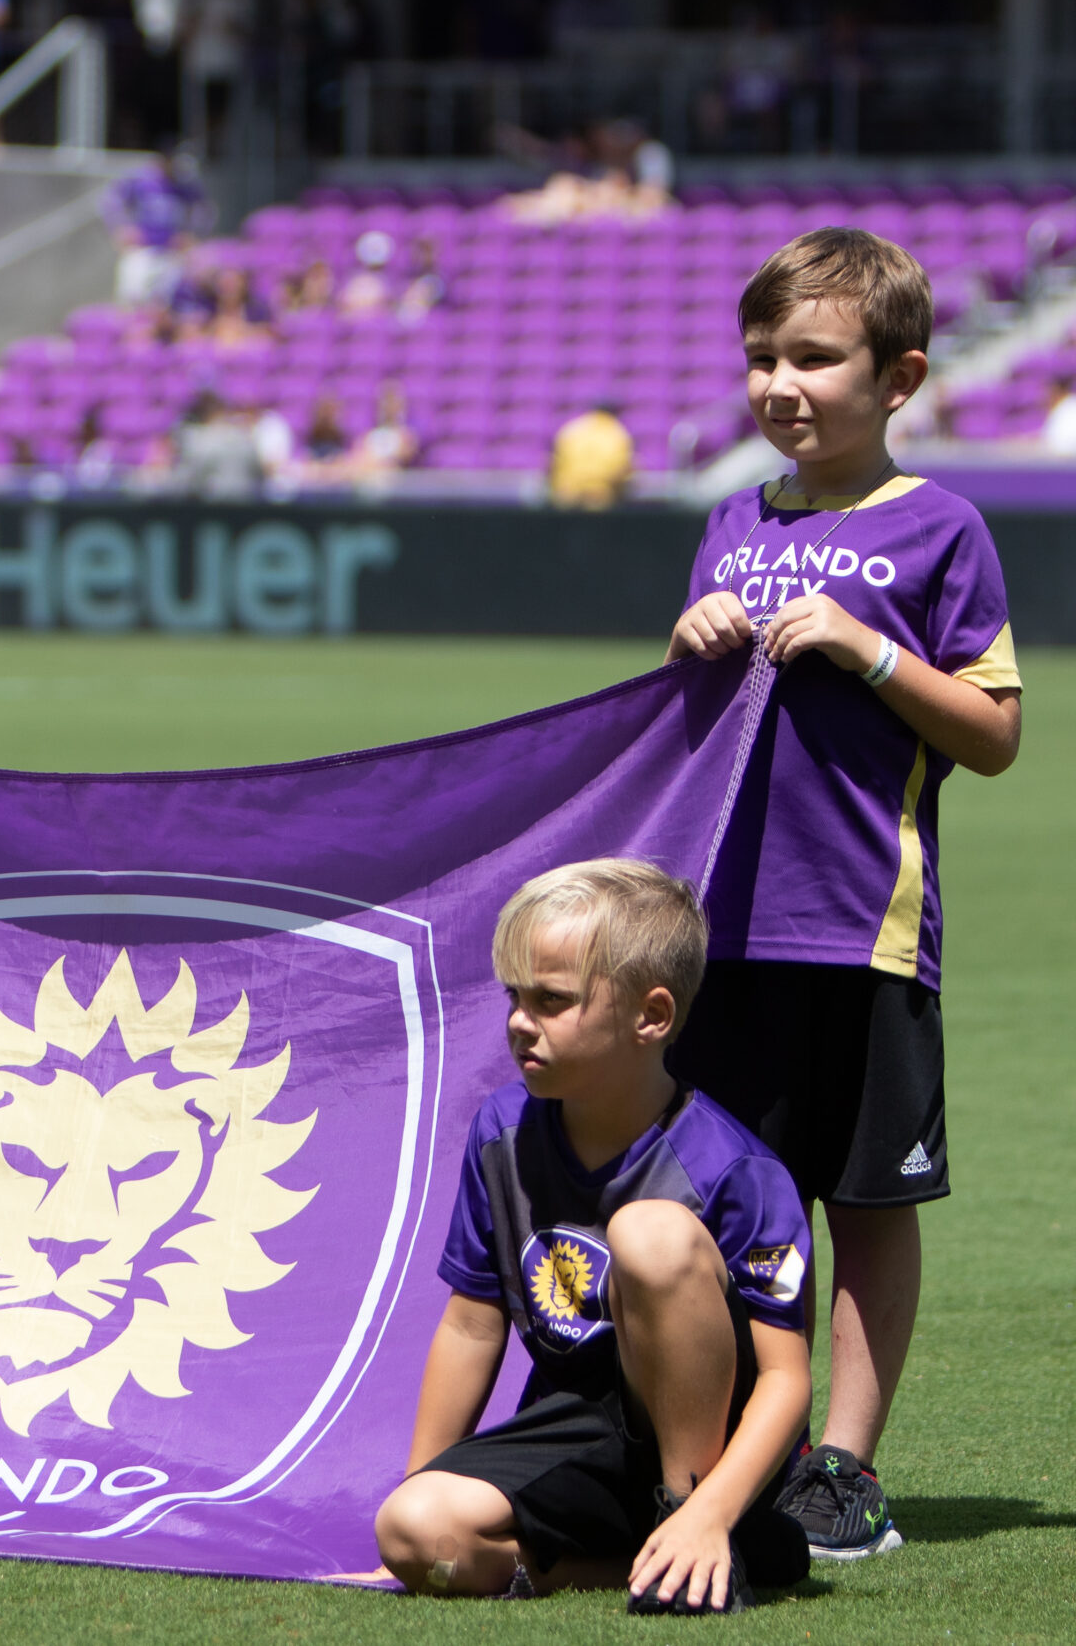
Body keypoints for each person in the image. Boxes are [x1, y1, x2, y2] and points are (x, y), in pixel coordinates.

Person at [664, 228, 1023, 1562]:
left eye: (814, 356)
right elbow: (682, 725)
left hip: (863, 930)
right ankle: (709, 1461)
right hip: (717, 933)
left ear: (900, 375)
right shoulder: (730, 522)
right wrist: (689, 639)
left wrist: (870, 651)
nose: (780, 382)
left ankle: (843, 1469)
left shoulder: (942, 528)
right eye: (762, 356)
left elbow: (992, 734)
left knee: (867, 1202)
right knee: (724, 1207)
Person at [372, 861, 813, 1611]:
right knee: (413, 1529)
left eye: (551, 1000)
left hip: (714, 1454)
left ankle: (695, 1525)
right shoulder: (500, 1134)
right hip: (576, 1431)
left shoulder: (734, 1167)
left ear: (652, 1016)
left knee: (650, 1234)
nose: (518, 1021)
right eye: (515, 995)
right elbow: (472, 1327)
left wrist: (708, 1507)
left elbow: (784, 1379)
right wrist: (422, 1483)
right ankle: (672, 1562)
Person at [102, 147, 204, 306]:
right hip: (142, 247)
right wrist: (121, 228)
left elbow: (203, 209)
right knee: (132, 297)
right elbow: (111, 202)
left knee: (166, 302)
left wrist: (192, 233)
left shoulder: (182, 185)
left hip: (171, 251)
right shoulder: (141, 181)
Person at [550, 402, 633, 508]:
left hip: (567, 489)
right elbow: (621, 467)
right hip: (600, 491)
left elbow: (556, 460)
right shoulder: (617, 432)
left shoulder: (572, 428)